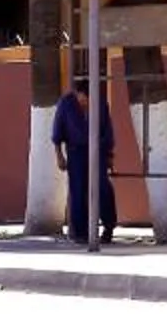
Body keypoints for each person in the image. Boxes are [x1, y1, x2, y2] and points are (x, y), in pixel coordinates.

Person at [53, 83, 118, 247]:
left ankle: (109, 227)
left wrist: (109, 154)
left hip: (98, 151)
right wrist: (59, 156)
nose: (86, 103)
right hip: (76, 152)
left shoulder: (101, 103)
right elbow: (57, 132)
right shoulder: (66, 104)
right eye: (84, 99)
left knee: (102, 188)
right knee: (78, 190)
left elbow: (107, 129)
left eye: (89, 100)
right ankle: (80, 232)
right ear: (77, 95)